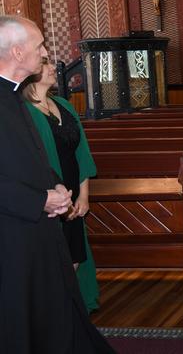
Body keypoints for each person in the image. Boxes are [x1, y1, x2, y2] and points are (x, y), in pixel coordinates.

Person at [0, 15, 114, 353]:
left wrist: (57, 187)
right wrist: (39, 200)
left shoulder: (14, 96)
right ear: (18, 52)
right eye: (39, 46)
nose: (45, 52)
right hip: (13, 235)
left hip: (39, 232)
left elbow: (31, 156)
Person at [21, 60, 100, 313]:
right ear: (32, 75)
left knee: (75, 258)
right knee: (59, 263)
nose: (54, 66)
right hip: (50, 201)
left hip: (73, 198)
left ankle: (70, 316)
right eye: (45, 63)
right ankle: (59, 317)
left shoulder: (64, 105)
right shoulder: (24, 111)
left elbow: (82, 152)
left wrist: (84, 197)